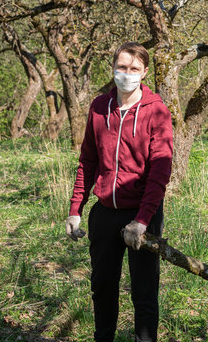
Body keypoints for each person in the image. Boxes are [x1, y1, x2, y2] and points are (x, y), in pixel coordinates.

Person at [64, 41, 173, 342]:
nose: (127, 74)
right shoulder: (100, 107)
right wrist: (76, 209)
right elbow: (87, 159)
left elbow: (159, 172)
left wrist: (142, 220)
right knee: (102, 288)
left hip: (141, 215)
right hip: (104, 214)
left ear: (145, 72)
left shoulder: (157, 112)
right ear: (113, 68)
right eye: (122, 67)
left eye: (134, 69)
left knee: (144, 292)